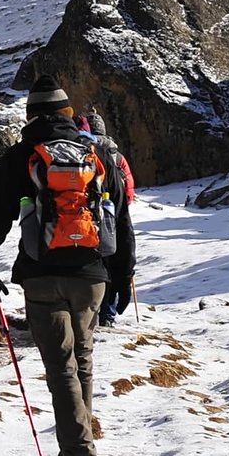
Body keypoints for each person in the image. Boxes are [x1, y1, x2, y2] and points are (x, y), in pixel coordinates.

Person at [0, 76, 135, 456]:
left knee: (61, 369)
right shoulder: (98, 154)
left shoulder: (18, 156)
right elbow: (122, 219)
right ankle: (80, 455)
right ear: (67, 114)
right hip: (92, 275)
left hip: (42, 275)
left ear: (29, 116)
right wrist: (123, 273)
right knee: (81, 361)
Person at [75, 113, 137, 328]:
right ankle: (107, 314)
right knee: (111, 261)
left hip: (83, 217)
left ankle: (89, 311)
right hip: (111, 212)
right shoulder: (116, 156)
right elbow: (128, 188)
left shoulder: (81, 151)